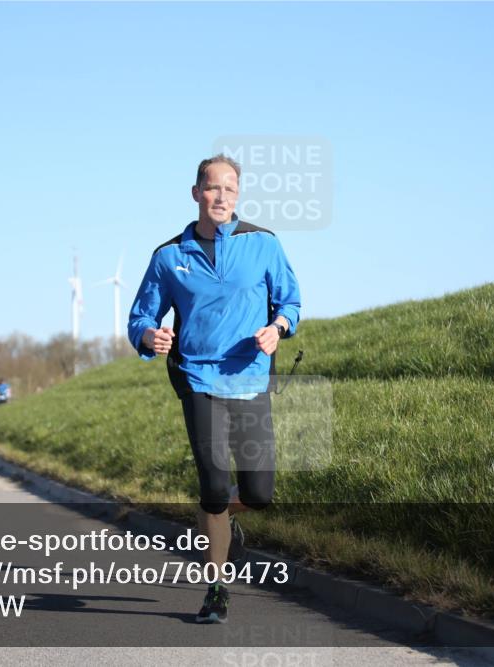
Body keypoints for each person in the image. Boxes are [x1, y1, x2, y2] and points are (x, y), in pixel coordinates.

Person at [127, 154, 301, 624]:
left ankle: (220, 516)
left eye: (229, 188)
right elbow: (140, 317)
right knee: (212, 483)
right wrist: (149, 336)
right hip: (198, 378)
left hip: (250, 378)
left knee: (260, 493)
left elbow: (290, 300)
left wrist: (278, 327)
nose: (220, 195)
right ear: (196, 193)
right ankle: (216, 588)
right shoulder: (169, 256)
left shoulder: (262, 244)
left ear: (237, 195)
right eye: (211, 187)